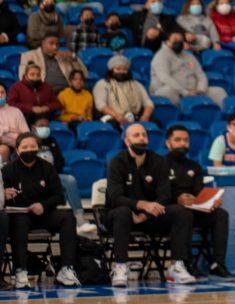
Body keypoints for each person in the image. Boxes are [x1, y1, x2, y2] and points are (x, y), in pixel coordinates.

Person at [104, 123, 196, 286]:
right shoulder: (116, 162)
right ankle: (120, 267)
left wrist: (145, 214)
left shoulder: (158, 161)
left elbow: (165, 195)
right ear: (127, 141)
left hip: (149, 217)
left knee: (181, 212)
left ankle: (176, 266)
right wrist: (141, 205)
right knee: (122, 212)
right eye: (136, 135)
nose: (142, 138)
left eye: (144, 135)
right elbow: (115, 197)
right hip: (121, 216)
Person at [4, 131, 80, 288]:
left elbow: (59, 196)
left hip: (44, 213)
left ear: (38, 148)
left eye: (33, 146)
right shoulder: (8, 170)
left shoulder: (47, 167)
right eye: (25, 147)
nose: (29, 149)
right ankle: (20, 271)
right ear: (17, 150)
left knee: (68, 217)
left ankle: (66, 268)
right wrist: (4, 193)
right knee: (19, 221)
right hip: (21, 215)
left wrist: (43, 206)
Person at [164, 125, 232, 277]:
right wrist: (177, 198)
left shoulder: (194, 166)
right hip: (170, 212)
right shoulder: (159, 164)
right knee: (183, 213)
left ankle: (217, 263)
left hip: (194, 209)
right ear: (168, 143)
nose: (183, 144)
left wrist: (210, 201)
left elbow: (199, 192)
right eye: (178, 140)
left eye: (186, 140)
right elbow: (158, 194)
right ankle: (186, 263)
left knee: (221, 214)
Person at [150, 31, 226, 107]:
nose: (179, 42)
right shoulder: (161, 56)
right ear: (167, 42)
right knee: (168, 91)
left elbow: (201, 75)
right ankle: (181, 115)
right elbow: (165, 78)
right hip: (175, 91)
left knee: (219, 92)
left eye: (181, 40)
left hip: (195, 91)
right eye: (175, 40)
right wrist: (185, 92)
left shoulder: (189, 55)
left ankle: (227, 117)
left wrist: (200, 90)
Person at [93, 55, 153, 126]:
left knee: (153, 122)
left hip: (132, 116)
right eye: (118, 69)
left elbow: (148, 103)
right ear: (111, 70)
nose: (121, 72)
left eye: (124, 69)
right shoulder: (102, 84)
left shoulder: (136, 84)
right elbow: (100, 104)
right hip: (111, 117)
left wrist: (145, 116)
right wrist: (116, 116)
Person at [19, 33, 84, 95]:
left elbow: (84, 73)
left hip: (68, 93)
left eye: (57, 44)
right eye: (51, 43)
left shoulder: (64, 56)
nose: (55, 47)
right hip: (44, 93)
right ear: (43, 43)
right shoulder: (29, 56)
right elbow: (23, 77)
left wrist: (73, 57)